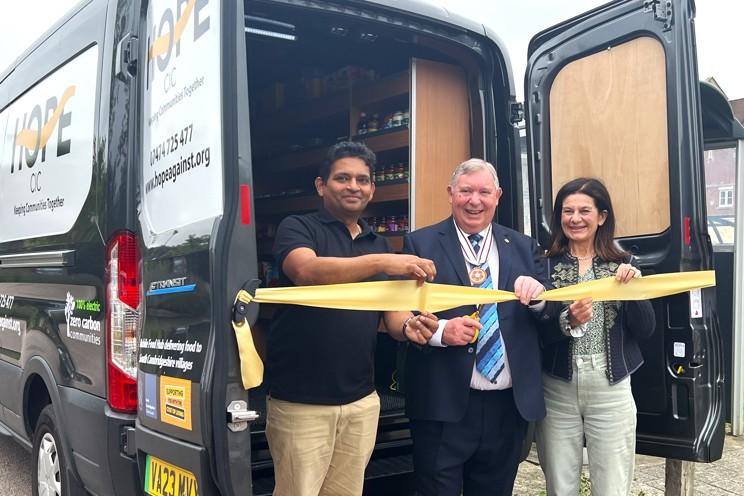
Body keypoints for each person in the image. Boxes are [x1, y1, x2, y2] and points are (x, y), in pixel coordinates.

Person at [266, 141, 438, 496]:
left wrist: (409, 326)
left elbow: (390, 313)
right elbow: (306, 270)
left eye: (362, 180)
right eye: (342, 178)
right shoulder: (298, 227)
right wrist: (384, 262)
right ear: (321, 185)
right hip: (301, 403)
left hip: (361, 400)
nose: (353, 186)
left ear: (372, 189)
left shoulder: (378, 243)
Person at [401, 158, 558, 496]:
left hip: (507, 406)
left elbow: (551, 312)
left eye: (484, 192)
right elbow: (406, 314)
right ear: (450, 194)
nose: (475, 200)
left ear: (498, 195)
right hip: (443, 404)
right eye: (466, 191)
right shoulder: (420, 245)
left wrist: (539, 299)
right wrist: (442, 333)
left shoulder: (523, 246)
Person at [535, 177, 656, 496]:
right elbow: (535, 331)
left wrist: (635, 293)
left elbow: (645, 330)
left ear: (602, 216)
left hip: (611, 386)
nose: (575, 218)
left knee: (612, 486)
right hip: (557, 387)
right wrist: (567, 320)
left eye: (584, 210)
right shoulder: (544, 266)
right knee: (560, 486)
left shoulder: (624, 263)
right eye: (567, 211)